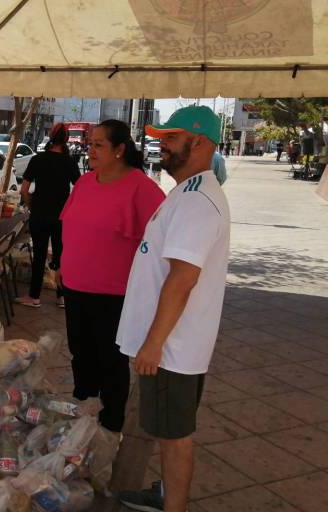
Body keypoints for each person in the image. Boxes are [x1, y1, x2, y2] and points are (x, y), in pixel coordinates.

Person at [117, 106, 230, 512]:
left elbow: (183, 278)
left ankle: (174, 506)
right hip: (171, 344)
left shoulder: (198, 201)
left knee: (174, 434)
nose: (160, 145)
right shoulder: (187, 191)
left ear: (198, 142)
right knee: (168, 429)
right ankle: (167, 494)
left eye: (170, 137)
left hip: (172, 349)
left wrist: (153, 343)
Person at [58, 119, 165, 436]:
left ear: (120, 150)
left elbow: (162, 242)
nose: (90, 150)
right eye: (90, 144)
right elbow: (69, 224)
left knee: (110, 358)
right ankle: (84, 404)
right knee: (80, 351)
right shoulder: (85, 183)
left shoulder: (142, 188)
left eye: (99, 144)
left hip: (114, 293)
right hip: (76, 286)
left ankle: (111, 420)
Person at [16, 122, 80, 308]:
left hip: (40, 214)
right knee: (61, 255)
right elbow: (80, 189)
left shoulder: (37, 160)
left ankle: (34, 297)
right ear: (66, 140)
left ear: (50, 137)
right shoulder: (70, 162)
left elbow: (24, 190)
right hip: (62, 216)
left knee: (40, 254)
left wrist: (32, 206)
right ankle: (61, 297)